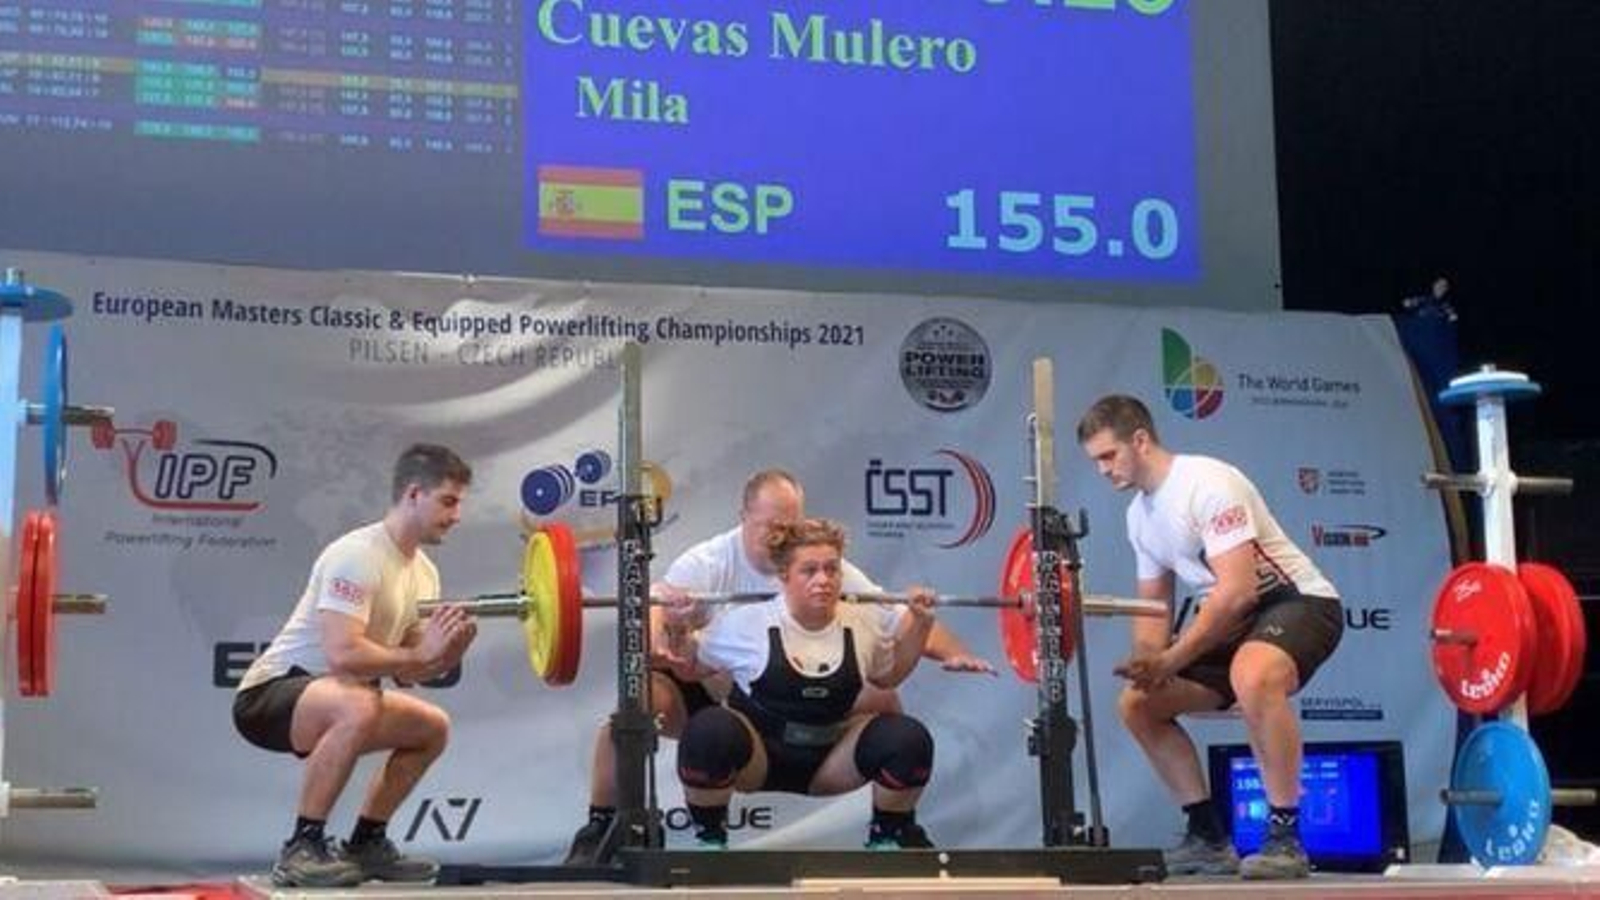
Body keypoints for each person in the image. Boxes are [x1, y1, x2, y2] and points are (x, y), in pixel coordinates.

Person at [564, 468, 991, 863]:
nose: (781, 538)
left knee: (890, 708)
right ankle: (603, 825)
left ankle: (895, 825)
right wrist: (665, 633)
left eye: (791, 527)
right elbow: (661, 614)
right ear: (744, 518)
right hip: (726, 697)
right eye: (772, 528)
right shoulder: (710, 563)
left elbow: (896, 619)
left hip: (802, 710)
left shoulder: (824, 569)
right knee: (635, 708)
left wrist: (951, 650)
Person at [1076, 395, 1343, 880]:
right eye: (1095, 460)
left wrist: (1173, 658)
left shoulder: (1209, 483)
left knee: (1253, 673)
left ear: (1140, 440)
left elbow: (1238, 592)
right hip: (1231, 619)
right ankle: (1207, 837)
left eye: (1108, 455)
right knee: (1137, 703)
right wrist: (1147, 660)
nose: (1102, 469)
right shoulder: (1139, 516)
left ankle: (1285, 838)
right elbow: (1154, 605)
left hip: (1297, 602)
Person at [233, 444, 479, 888]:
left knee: (432, 727)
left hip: (338, 697)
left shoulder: (424, 571)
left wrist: (447, 652)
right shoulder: (358, 554)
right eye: (448, 500)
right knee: (360, 703)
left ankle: (367, 843)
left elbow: (408, 671)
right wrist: (421, 654)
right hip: (269, 696)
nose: (457, 515)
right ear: (412, 494)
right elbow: (343, 655)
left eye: (459, 502)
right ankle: (301, 847)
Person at [675, 517, 939, 848]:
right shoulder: (745, 624)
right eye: (809, 570)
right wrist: (678, 623)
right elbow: (691, 667)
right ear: (784, 576)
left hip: (831, 761)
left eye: (832, 569)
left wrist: (921, 624)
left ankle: (886, 838)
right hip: (758, 757)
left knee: (907, 738)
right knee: (708, 730)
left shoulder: (862, 623)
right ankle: (710, 840)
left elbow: (890, 676)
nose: (823, 580)